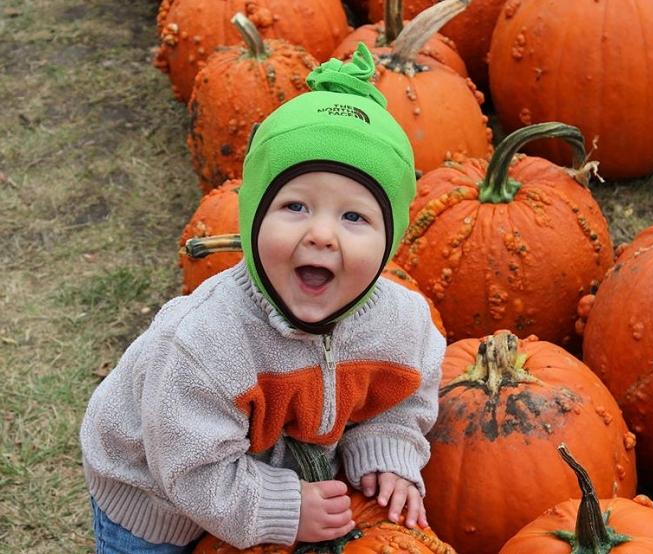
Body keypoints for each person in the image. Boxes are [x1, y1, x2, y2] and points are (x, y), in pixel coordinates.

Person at [79, 42, 445, 553]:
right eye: (295, 205)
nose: (322, 235)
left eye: (354, 217)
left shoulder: (402, 324)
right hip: (155, 492)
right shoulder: (204, 342)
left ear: (391, 241)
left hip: (250, 463)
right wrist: (286, 509)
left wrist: (386, 454)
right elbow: (189, 466)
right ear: (252, 220)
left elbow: (400, 400)